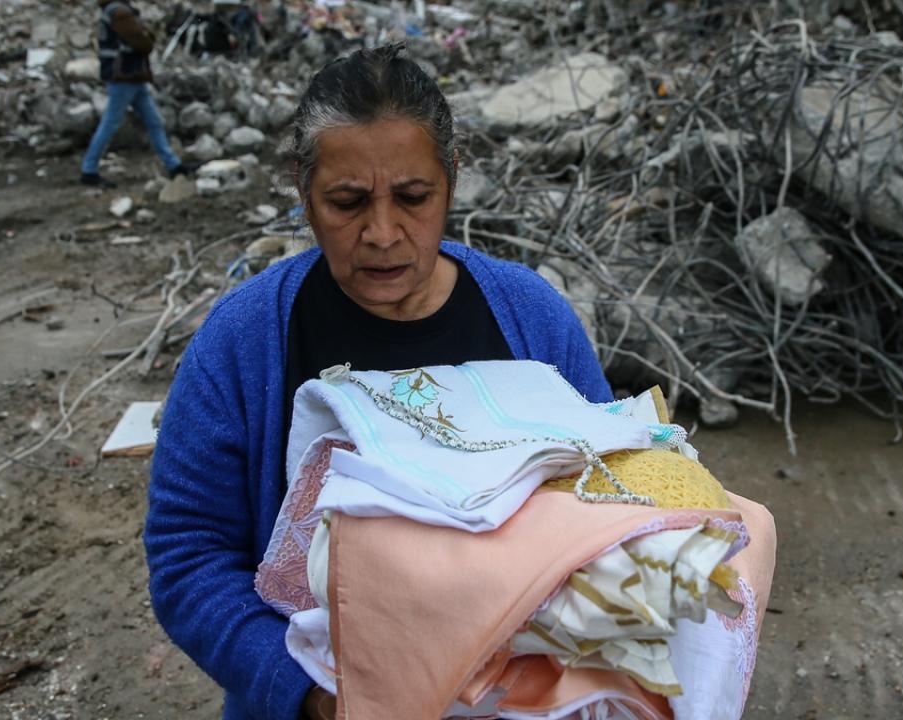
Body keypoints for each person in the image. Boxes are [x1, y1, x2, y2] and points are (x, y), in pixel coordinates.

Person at [144, 43, 612, 720]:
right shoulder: (243, 342)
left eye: (413, 197)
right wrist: (311, 693)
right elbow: (189, 555)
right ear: (302, 190)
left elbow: (612, 496)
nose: (383, 232)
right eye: (348, 202)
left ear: (451, 177)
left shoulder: (531, 318)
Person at [81, 1, 195, 188]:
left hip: (132, 77)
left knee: (154, 121)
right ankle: (89, 170)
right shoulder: (120, 13)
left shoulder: (114, 12)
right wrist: (147, 36)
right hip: (125, 76)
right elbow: (142, 42)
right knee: (111, 124)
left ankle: (174, 165)